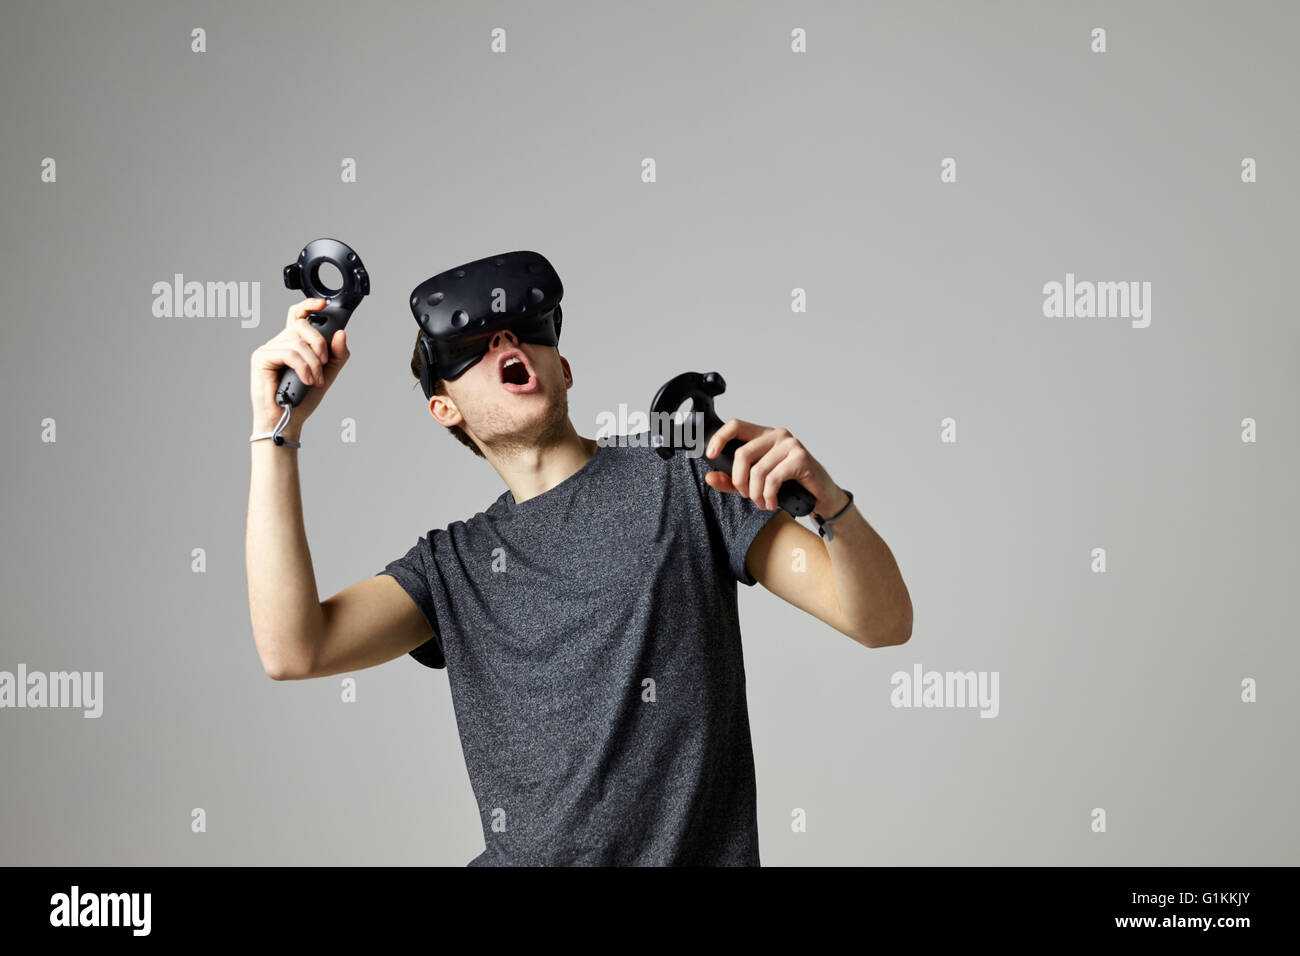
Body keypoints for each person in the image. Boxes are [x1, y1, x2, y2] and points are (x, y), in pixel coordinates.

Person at [246, 293, 913, 866]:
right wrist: (277, 430)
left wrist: (834, 508)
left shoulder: (688, 480)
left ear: (561, 367)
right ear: (444, 408)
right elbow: (293, 649)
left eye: (523, 329)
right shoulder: (453, 566)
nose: (505, 338)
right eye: (472, 344)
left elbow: (881, 623)